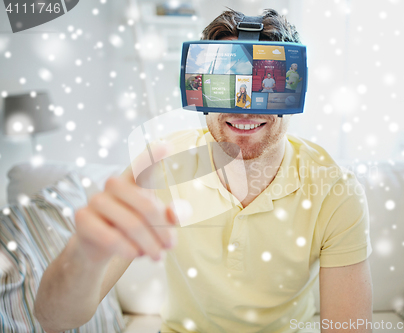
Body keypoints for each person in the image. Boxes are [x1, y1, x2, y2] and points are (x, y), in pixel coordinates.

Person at [35, 8, 373, 333]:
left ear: (292, 89)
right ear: (201, 88)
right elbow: (55, 320)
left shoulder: (333, 188)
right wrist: (84, 254)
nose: (243, 109)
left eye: (261, 90)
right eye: (226, 83)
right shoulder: (161, 164)